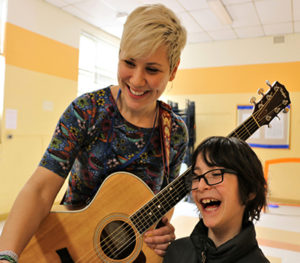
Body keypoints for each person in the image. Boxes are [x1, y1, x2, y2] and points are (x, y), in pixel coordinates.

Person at [0, 4, 188, 262]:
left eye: (152, 69)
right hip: (66, 247)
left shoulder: (175, 132)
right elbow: (40, 189)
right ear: (119, 54)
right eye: (129, 63)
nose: (136, 79)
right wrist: (7, 256)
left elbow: (164, 201)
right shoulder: (87, 111)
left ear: (174, 69)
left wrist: (161, 231)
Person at [163, 136, 270, 263]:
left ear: (249, 190)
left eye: (215, 174)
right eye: (196, 176)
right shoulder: (176, 252)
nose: (201, 186)